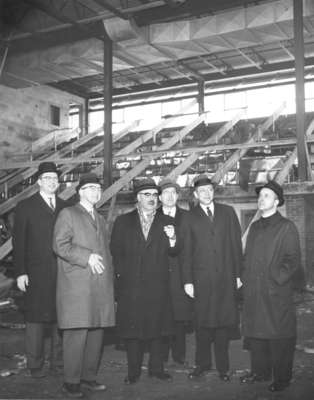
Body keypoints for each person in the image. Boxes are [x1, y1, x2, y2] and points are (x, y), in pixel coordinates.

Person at [53, 173, 115, 398]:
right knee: (76, 334)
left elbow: (107, 252)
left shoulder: (100, 218)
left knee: (96, 333)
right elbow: (59, 245)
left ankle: (88, 378)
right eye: (89, 188)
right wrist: (86, 256)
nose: (95, 192)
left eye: (97, 188)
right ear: (80, 192)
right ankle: (71, 382)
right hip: (77, 286)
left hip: (98, 286)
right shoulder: (68, 213)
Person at [110, 178, 177, 384]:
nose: (152, 199)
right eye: (147, 195)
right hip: (132, 287)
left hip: (158, 285)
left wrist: (173, 238)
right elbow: (115, 252)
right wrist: (123, 278)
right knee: (133, 332)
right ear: (137, 198)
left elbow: (174, 251)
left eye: (154, 195)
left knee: (158, 330)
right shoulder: (123, 221)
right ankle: (133, 372)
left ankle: (156, 369)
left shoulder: (166, 221)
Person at [240, 180, 303, 392]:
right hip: (254, 291)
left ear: (277, 201)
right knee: (257, 335)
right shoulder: (255, 227)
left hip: (276, 292)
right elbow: (247, 257)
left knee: (279, 337)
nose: (261, 198)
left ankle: (282, 378)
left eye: (266, 195)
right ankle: (260, 372)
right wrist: (244, 278)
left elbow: (292, 260)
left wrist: (276, 279)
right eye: (260, 195)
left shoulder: (286, 227)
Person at [181, 174, 242, 381]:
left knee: (223, 325)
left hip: (225, 278)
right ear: (196, 195)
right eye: (202, 191)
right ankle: (202, 365)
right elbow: (186, 251)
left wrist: (238, 274)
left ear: (213, 192)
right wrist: (188, 281)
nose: (206, 193)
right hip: (201, 281)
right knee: (203, 326)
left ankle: (224, 368)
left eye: (209, 190)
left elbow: (236, 245)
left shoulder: (228, 212)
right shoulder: (189, 217)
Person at [12, 162, 67, 378]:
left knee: (60, 318)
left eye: (55, 178)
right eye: (48, 178)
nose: (52, 182)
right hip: (35, 273)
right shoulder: (25, 206)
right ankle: (35, 365)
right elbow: (19, 243)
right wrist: (20, 272)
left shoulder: (65, 206)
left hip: (62, 272)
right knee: (35, 319)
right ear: (39, 182)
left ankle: (58, 363)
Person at [158, 178, 192, 365]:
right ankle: (161, 356)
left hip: (181, 275)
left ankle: (179, 356)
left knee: (180, 316)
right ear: (160, 197)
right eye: (166, 193)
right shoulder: (153, 216)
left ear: (177, 196)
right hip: (161, 275)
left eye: (173, 193)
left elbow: (191, 247)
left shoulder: (188, 217)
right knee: (162, 315)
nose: (170, 196)